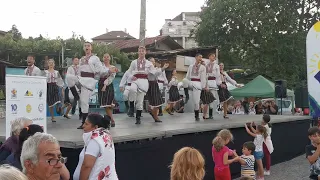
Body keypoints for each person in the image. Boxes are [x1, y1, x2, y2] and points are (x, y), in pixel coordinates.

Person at [69, 42, 117, 129]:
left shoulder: (95, 58)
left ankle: (84, 122)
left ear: (91, 48)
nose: (86, 47)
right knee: (69, 77)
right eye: (85, 46)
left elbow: (100, 70)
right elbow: (79, 70)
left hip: (89, 81)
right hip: (81, 79)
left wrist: (109, 71)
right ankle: (76, 95)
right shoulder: (81, 59)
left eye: (88, 46)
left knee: (84, 102)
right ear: (83, 48)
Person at [127, 46, 167, 124]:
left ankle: (138, 118)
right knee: (132, 89)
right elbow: (129, 71)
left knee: (140, 101)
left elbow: (155, 73)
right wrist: (132, 76)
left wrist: (162, 69)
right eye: (140, 51)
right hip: (136, 80)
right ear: (138, 52)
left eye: (143, 51)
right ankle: (131, 106)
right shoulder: (134, 62)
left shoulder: (149, 63)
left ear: (145, 52)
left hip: (144, 81)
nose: (141, 52)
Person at [73, 113, 118, 180]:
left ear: (96, 127)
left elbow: (87, 165)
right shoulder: (106, 135)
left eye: (86, 124)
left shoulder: (95, 140)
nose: (83, 126)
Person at [184, 53, 207, 121]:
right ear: (196, 57)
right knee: (184, 80)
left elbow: (203, 78)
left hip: (198, 84)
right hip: (191, 82)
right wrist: (186, 82)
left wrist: (203, 87)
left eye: (201, 57)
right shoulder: (191, 66)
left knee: (196, 102)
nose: (200, 58)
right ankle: (186, 95)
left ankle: (196, 115)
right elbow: (187, 76)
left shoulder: (203, 67)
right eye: (199, 57)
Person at [146, 58, 169, 122]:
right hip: (152, 85)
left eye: (154, 61)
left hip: (155, 84)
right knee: (156, 102)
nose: (153, 62)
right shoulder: (149, 69)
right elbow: (156, 73)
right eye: (152, 61)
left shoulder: (154, 68)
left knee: (158, 101)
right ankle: (155, 115)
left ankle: (153, 112)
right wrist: (163, 68)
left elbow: (158, 73)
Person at [99, 53, 117, 127]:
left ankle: (111, 120)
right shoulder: (101, 66)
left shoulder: (113, 67)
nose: (106, 58)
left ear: (110, 58)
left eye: (107, 57)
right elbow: (100, 74)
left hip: (109, 85)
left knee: (108, 104)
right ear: (103, 58)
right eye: (104, 57)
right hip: (101, 84)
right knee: (105, 104)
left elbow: (112, 77)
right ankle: (110, 120)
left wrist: (105, 84)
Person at [202, 53, 220, 119]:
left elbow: (217, 75)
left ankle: (210, 114)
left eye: (214, 56)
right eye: (212, 56)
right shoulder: (206, 64)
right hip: (206, 82)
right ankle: (205, 114)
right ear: (209, 57)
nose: (213, 57)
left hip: (213, 81)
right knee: (206, 98)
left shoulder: (216, 65)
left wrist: (219, 83)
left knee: (212, 98)